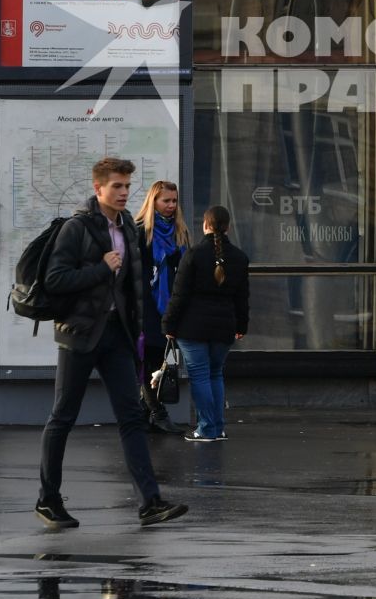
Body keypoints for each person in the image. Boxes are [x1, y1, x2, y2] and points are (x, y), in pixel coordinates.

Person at [35, 157, 188, 530]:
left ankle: (150, 502)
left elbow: (133, 288)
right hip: (79, 334)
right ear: (98, 188)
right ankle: (47, 500)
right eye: (116, 186)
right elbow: (55, 280)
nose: (123, 193)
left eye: (126, 186)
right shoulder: (77, 228)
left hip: (117, 336)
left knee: (132, 417)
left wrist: (137, 330)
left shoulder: (130, 230)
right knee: (63, 416)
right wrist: (100, 268)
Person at [163, 205, 251, 442]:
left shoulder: (192, 255)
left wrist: (168, 325)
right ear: (228, 227)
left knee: (200, 376)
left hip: (192, 328)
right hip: (224, 328)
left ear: (205, 225)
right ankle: (217, 427)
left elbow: (179, 295)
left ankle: (206, 428)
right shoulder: (240, 258)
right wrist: (241, 326)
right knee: (215, 375)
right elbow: (242, 298)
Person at [133, 180, 188, 435]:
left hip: (171, 308)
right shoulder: (140, 232)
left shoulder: (180, 232)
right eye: (166, 200)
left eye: (174, 201)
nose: (171, 205)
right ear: (153, 201)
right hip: (146, 308)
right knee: (148, 360)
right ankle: (157, 412)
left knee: (165, 361)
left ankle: (147, 412)